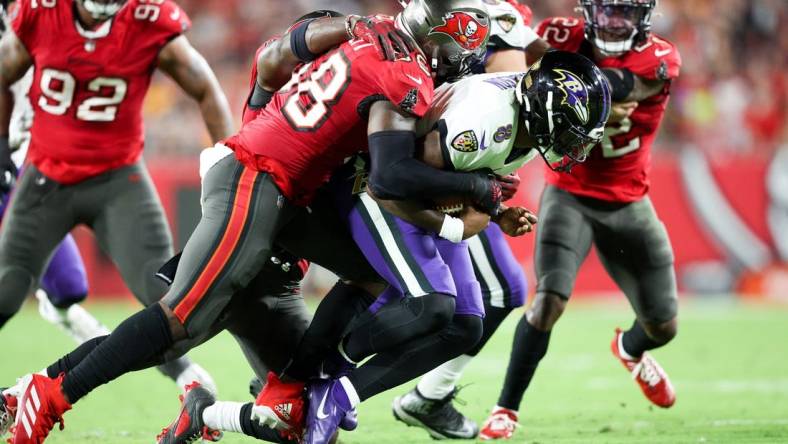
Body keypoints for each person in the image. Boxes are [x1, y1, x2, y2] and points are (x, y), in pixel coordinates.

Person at [5, 1, 502, 443]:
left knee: (367, 284)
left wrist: (267, 118)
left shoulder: (359, 34)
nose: (460, 63)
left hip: (283, 195)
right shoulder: (404, 72)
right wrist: (473, 194)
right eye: (459, 49)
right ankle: (50, 396)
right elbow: (391, 174)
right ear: (438, 36)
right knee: (182, 320)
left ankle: (258, 394)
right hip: (261, 180)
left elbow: (270, 60)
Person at [0, 0, 234, 432]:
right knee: (7, 290)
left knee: (169, 299)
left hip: (117, 180)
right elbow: (3, 71)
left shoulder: (146, 20)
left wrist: (232, 169)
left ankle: (186, 379)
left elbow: (206, 88)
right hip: (46, 177)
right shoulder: (41, 12)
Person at [478, 0, 682, 439]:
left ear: (643, 17)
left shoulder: (660, 57)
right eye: (607, 11)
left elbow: (622, 84)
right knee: (548, 300)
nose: (615, 21)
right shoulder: (561, 35)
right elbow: (536, 76)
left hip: (630, 201)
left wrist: (578, 92)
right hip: (570, 195)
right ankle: (504, 410)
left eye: (625, 13)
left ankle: (630, 350)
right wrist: (594, 102)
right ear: (589, 11)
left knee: (663, 326)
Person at [389, 0, 551, 438]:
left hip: (473, 159)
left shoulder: (507, 13)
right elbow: (496, 84)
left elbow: (541, 66)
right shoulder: (465, 9)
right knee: (483, 292)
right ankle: (306, 372)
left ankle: (428, 394)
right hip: (449, 158)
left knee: (497, 292)